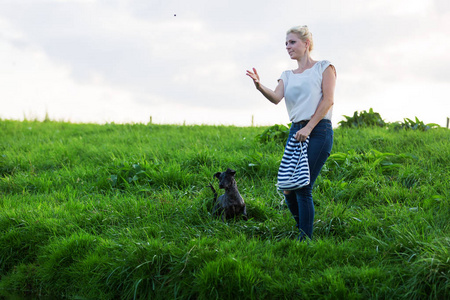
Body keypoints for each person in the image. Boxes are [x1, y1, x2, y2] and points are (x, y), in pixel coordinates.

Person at [246, 25, 336, 241]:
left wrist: (309, 127)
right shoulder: (287, 75)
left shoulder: (324, 67)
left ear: (306, 44)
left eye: (292, 42)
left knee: (303, 186)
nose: (288, 46)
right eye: (286, 43)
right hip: (296, 131)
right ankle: (302, 229)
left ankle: (305, 239)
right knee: (288, 187)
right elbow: (277, 98)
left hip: (319, 130)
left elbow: (328, 100)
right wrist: (259, 86)